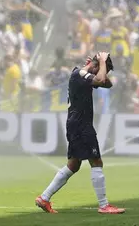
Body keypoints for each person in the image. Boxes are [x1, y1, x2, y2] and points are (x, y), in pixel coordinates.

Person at [35, 52, 125, 215]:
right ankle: (104, 205)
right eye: (103, 68)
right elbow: (100, 80)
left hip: (76, 123)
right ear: (96, 66)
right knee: (96, 161)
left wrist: (101, 65)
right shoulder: (81, 74)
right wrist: (102, 62)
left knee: (73, 165)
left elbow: (107, 83)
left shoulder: (83, 74)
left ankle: (44, 198)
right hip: (81, 125)